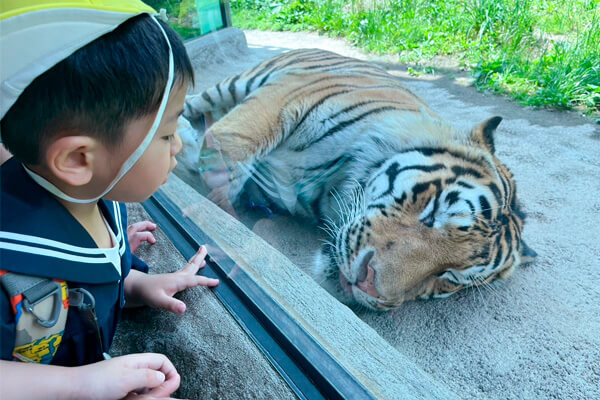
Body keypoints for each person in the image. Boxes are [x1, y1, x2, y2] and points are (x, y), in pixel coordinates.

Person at [0, 1, 219, 399]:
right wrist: (79, 385)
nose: (179, 146)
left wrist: (135, 284)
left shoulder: (95, 197)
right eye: (167, 133)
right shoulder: (11, 268)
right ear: (79, 159)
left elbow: (80, 289)